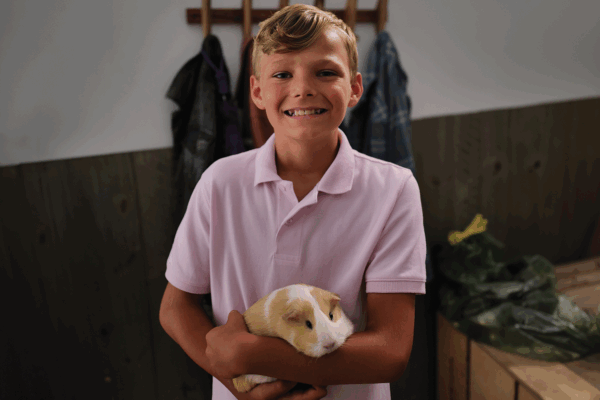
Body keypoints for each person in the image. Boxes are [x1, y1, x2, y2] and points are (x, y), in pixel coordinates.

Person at [159, 4, 427, 400]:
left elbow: (390, 352)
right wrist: (236, 380)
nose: (303, 89)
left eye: (326, 72)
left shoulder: (394, 188)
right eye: (283, 74)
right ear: (257, 92)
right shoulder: (220, 182)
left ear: (355, 88)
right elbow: (175, 307)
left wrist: (255, 355)